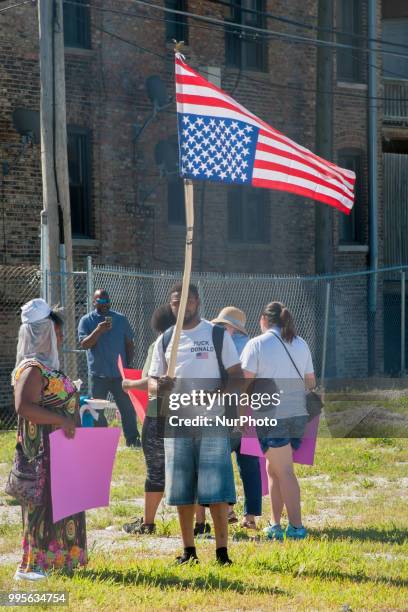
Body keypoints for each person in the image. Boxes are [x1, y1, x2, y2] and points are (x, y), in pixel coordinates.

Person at [149, 283, 242, 565]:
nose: (180, 307)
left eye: (186, 301)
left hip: (211, 422)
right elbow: (152, 383)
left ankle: (221, 552)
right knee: (182, 489)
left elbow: (237, 377)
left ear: (197, 302)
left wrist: (215, 396)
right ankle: (189, 551)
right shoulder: (165, 340)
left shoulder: (215, 335)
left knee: (216, 488)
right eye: (175, 302)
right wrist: (159, 385)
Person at [10, 298, 87, 581]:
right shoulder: (32, 369)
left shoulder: (42, 368)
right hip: (43, 453)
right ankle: (33, 566)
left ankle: (56, 560)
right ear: (41, 334)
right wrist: (63, 420)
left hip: (58, 449)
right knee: (43, 505)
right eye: (55, 333)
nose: (60, 338)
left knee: (60, 503)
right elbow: (24, 407)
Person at [241, 301, 316, 541]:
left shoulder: (257, 344)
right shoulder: (301, 343)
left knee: (283, 470)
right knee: (272, 469)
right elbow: (311, 382)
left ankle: (296, 527)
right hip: (298, 414)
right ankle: (275, 523)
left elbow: (244, 384)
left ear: (264, 319)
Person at [122, 304, 176, 535]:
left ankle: (148, 522)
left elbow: (151, 382)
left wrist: (129, 384)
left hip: (159, 411)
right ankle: (200, 523)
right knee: (188, 468)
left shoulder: (161, 343)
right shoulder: (193, 342)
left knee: (155, 469)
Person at [212, 307, 262, 530]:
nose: (221, 328)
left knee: (224, 461)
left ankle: (229, 508)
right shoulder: (251, 345)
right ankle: (250, 516)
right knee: (249, 464)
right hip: (250, 412)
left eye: (224, 325)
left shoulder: (223, 345)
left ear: (232, 327)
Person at [78, 289, 140, 447]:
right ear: (94, 302)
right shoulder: (86, 321)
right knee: (97, 411)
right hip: (98, 375)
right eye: (100, 302)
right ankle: (102, 440)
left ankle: (132, 440)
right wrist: (98, 331)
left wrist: (128, 366)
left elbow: (129, 343)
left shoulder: (120, 319)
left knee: (127, 408)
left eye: (107, 302)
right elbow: (85, 344)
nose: (105, 305)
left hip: (119, 375)